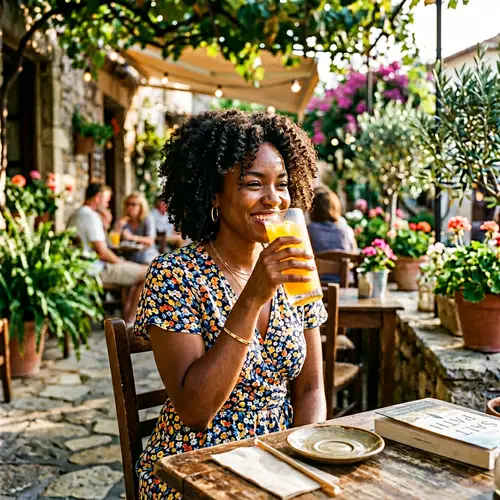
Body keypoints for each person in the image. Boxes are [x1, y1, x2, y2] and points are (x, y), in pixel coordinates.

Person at [133, 109, 327, 498]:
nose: (273, 199)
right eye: (254, 184)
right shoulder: (175, 275)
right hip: (194, 465)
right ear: (215, 194)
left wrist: (306, 459)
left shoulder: (294, 266)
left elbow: (310, 389)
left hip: (281, 459)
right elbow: (195, 411)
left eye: (283, 184)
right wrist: (253, 296)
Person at [67, 183, 148, 325]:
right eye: (106, 200)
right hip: (96, 271)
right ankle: (130, 322)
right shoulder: (90, 216)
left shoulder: (75, 215)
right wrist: (122, 262)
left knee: (135, 273)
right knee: (148, 273)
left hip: (82, 270)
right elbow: (102, 252)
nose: (107, 204)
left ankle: (127, 316)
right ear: (97, 198)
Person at [308, 186, 357, 253]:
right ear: (336, 207)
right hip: (343, 263)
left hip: (319, 263)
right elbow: (354, 253)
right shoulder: (347, 231)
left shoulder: (309, 230)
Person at [117, 192, 159, 264]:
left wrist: (132, 237)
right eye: (127, 204)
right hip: (129, 258)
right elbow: (114, 241)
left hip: (147, 257)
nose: (130, 207)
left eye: (133, 204)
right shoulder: (124, 220)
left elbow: (150, 241)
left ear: (141, 206)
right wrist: (118, 227)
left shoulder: (148, 218)